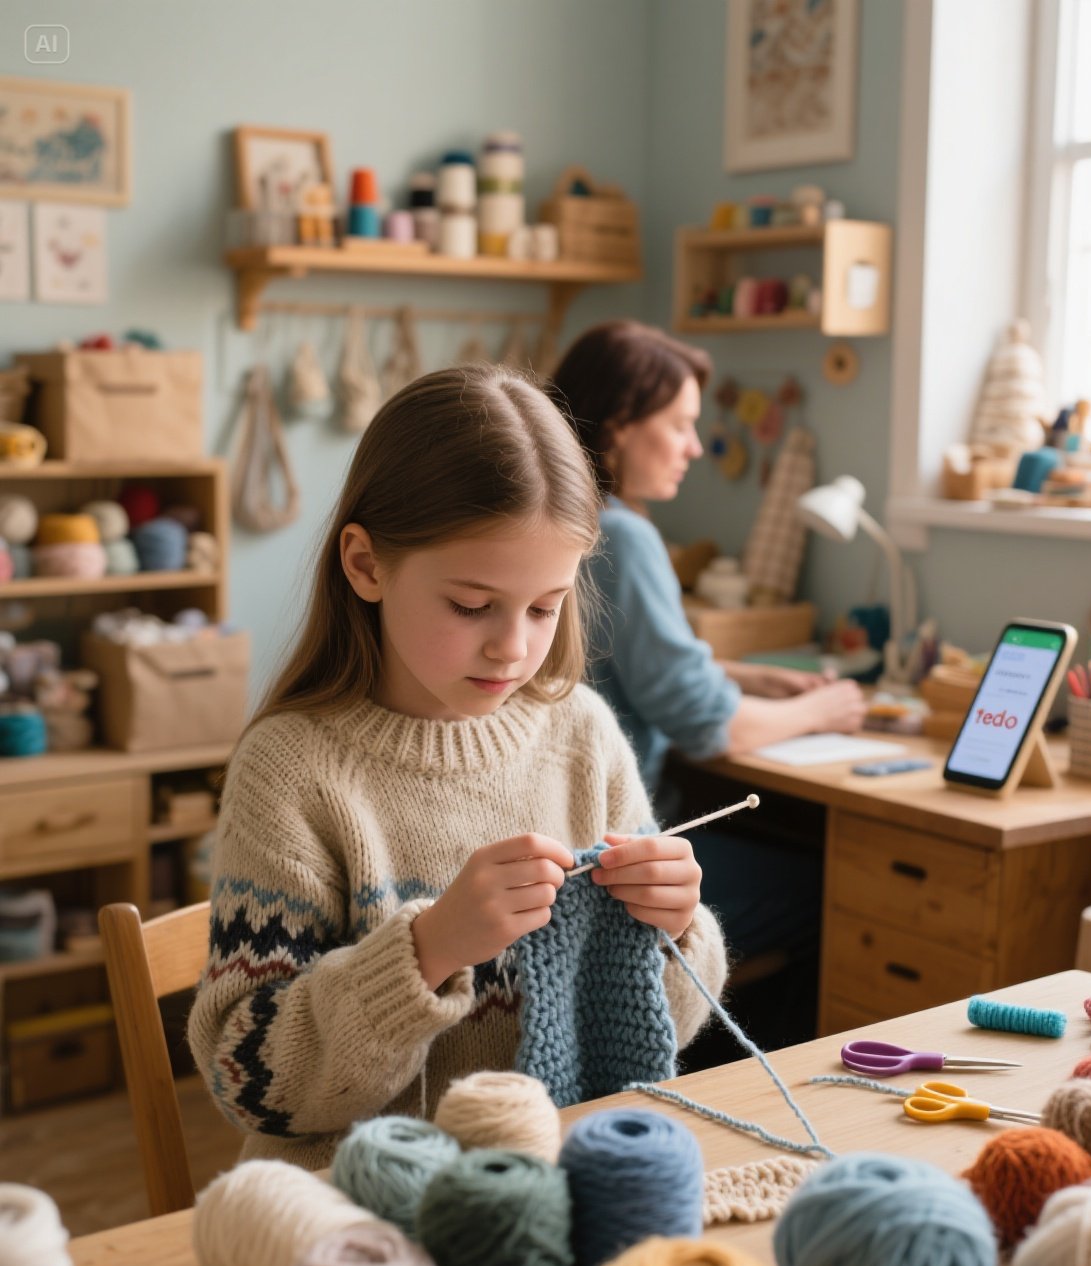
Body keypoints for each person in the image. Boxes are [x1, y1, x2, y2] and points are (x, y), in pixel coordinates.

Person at [188, 364, 727, 1169]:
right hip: (359, 1213)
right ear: (366, 566)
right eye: (472, 606)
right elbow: (250, 1080)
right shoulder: (293, 770)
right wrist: (428, 949)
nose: (513, 645)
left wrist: (676, 929)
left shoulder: (581, 733)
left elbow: (659, 1032)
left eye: (545, 606)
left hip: (548, 1185)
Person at [551, 321, 866, 1054]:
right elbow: (705, 725)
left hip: (563, 841)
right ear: (621, 427)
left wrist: (740, 672)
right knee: (830, 892)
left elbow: (619, 662)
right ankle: (728, 1073)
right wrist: (829, 705)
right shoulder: (623, 536)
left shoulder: (557, 523)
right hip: (611, 859)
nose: (694, 447)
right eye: (682, 426)